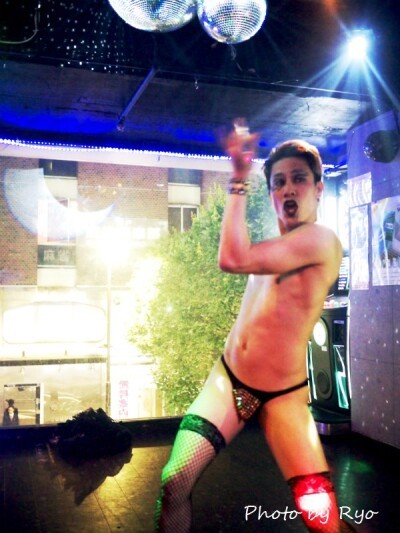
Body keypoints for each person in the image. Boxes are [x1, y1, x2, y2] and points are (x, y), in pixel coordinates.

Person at [155, 120, 354, 532]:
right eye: (279, 182)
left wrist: (238, 177)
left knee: (320, 516)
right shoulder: (274, 245)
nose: (288, 189)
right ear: (272, 194)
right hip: (228, 381)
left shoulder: (322, 241)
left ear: (319, 188)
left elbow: (232, 258)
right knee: (175, 479)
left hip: (284, 397)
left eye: (299, 179)